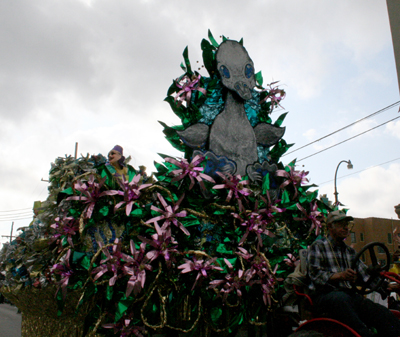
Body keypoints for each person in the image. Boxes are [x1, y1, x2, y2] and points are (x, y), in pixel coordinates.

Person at [307, 209, 400, 337]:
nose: (345, 228)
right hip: (324, 296)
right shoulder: (318, 246)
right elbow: (314, 275)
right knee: (341, 299)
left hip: (347, 296)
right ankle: (364, 334)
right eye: (340, 224)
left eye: (347, 224)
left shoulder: (349, 251)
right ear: (329, 227)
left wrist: (385, 286)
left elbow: (365, 274)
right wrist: (339, 276)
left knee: (384, 315)